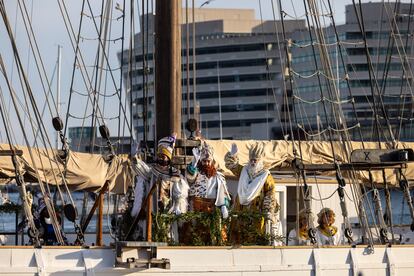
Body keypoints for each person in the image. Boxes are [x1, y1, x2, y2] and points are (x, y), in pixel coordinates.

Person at [131, 134, 189, 242]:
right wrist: (135, 157)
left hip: (168, 214)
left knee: (168, 236)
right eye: (159, 156)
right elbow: (141, 169)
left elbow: (179, 193)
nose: (161, 158)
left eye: (163, 156)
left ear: (168, 158)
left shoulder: (174, 174)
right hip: (152, 213)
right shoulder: (152, 171)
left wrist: (177, 206)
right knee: (151, 235)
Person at [224, 143, 280, 245]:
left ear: (260, 161)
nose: (253, 162)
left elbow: (270, 194)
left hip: (256, 213)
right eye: (251, 160)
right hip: (240, 211)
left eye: (256, 160)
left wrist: (267, 211)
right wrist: (233, 155)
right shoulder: (244, 171)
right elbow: (231, 165)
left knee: (255, 237)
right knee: (238, 235)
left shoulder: (266, 176)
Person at [185, 141, 231, 244]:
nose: (206, 163)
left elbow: (223, 193)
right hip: (197, 209)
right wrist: (194, 162)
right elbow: (189, 177)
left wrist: (224, 206)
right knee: (196, 235)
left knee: (215, 235)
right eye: (204, 161)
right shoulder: (196, 173)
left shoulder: (219, 176)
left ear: (212, 162)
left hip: (213, 209)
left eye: (208, 161)